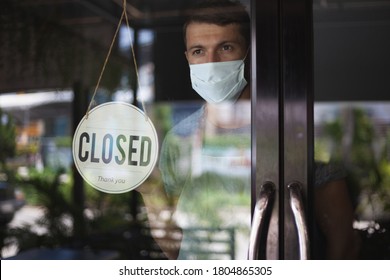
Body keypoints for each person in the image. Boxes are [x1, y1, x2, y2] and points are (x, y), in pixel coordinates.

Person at [139, 0, 360, 260]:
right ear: (187, 57)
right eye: (198, 51)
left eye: (226, 47)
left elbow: (343, 242)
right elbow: (175, 248)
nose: (211, 63)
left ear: (249, 53)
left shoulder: (295, 133)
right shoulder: (180, 138)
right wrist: (150, 190)